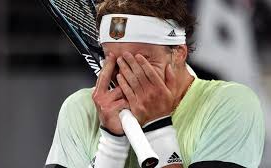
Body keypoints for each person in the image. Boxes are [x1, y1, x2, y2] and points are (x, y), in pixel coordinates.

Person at [45, 0, 265, 168]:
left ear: (178, 53)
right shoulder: (79, 108)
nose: (122, 76)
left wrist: (156, 124)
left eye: (139, 61)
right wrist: (112, 145)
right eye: (110, 59)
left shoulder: (231, 105)